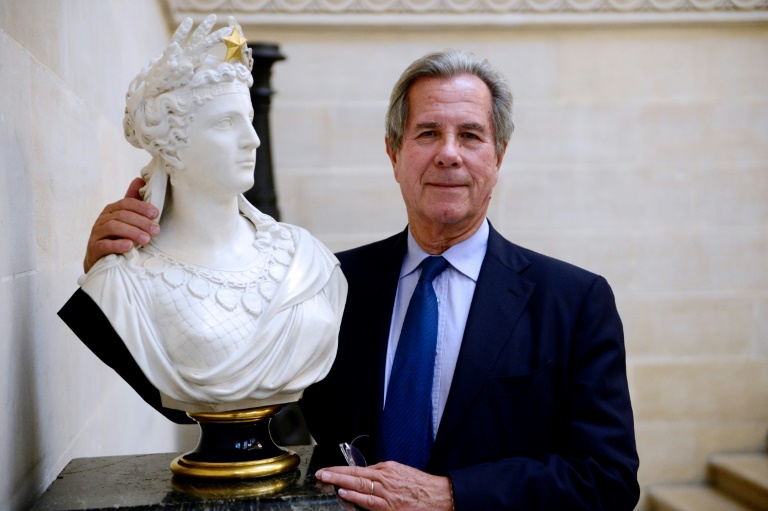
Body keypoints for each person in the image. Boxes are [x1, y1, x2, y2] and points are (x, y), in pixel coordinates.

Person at [76, 49, 639, 510]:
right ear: (394, 153)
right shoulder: (326, 281)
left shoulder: (574, 301)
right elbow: (202, 405)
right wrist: (125, 268)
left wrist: (451, 494)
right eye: (426, 134)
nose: (448, 154)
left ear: (499, 155)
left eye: (470, 135)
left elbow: (607, 479)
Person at [61, 15, 346, 414]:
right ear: (173, 146)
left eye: (248, 119)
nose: (253, 139)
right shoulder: (124, 282)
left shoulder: (306, 257)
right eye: (226, 123)